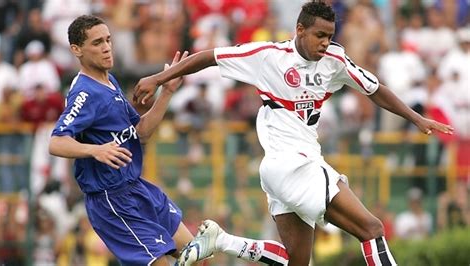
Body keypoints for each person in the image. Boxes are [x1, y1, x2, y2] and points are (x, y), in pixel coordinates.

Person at [133, 2, 454, 266]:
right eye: (319, 35)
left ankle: (223, 240)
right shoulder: (269, 56)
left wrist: (415, 118)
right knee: (372, 229)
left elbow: (374, 89)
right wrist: (159, 78)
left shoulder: (334, 60)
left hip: (281, 171)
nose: (325, 43)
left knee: (297, 262)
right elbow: (209, 57)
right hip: (294, 164)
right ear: (299, 29)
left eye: (329, 36)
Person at [49, 15, 289, 266]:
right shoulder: (84, 92)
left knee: (197, 253)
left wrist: (168, 92)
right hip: (112, 201)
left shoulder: (109, 82)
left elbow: (141, 132)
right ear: (76, 50)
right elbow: (56, 142)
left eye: (108, 40)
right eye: (97, 42)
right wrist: (94, 150)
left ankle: (224, 244)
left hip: (138, 189)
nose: (107, 47)